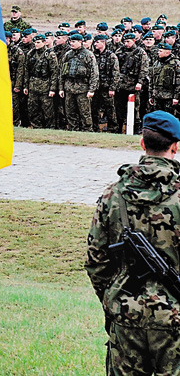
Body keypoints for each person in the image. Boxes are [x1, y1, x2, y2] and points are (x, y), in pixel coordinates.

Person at [86, 111, 180, 375]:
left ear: (142, 143)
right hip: (175, 321)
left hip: (125, 316)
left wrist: (114, 299)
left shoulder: (112, 194)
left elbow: (96, 262)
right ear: (176, 146)